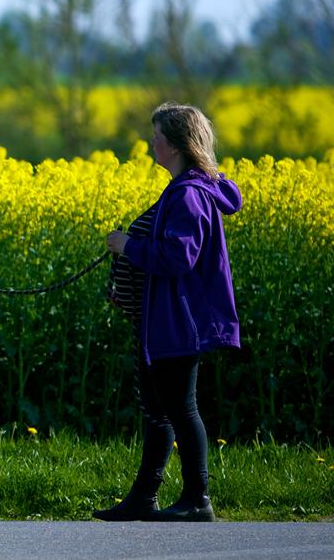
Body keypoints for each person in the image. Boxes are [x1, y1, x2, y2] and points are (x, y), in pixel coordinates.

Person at [94, 102, 242, 522]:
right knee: (160, 410)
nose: (151, 142)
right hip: (161, 320)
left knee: (181, 408)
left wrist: (128, 247)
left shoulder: (190, 195)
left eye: (157, 135)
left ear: (175, 145)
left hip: (180, 321)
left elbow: (178, 258)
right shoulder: (184, 188)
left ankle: (198, 499)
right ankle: (144, 497)